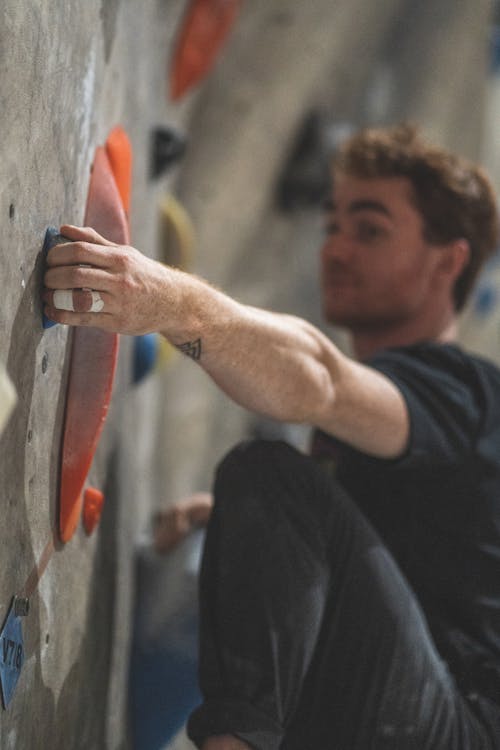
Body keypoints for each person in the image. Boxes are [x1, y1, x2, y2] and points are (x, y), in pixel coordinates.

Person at [43, 124, 500, 749]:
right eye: (332, 224)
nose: (337, 248)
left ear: (448, 260)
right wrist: (240, 523)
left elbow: (322, 383)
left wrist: (171, 302)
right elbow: (384, 560)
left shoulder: (460, 391)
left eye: (370, 230)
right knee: (268, 499)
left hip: (452, 730)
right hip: (384, 716)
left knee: (271, 475)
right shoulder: (389, 433)